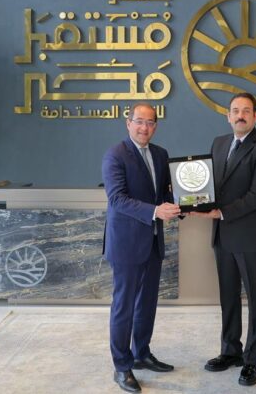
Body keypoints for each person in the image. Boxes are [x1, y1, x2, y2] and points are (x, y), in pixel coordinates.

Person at [191, 93, 256, 387]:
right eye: (235, 110)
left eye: (246, 111)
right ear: (228, 116)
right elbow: (212, 186)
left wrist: (220, 212)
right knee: (228, 297)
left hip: (251, 236)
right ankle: (231, 351)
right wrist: (191, 198)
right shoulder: (219, 143)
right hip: (223, 235)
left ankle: (252, 361)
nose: (240, 115)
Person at [102, 102, 181, 393]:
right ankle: (122, 367)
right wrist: (156, 211)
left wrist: (187, 203)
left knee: (147, 304)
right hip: (126, 243)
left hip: (153, 242)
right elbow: (117, 199)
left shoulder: (161, 154)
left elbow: (167, 193)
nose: (144, 127)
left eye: (150, 122)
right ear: (128, 123)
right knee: (123, 307)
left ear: (155, 126)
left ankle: (141, 353)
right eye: (139, 121)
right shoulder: (115, 155)